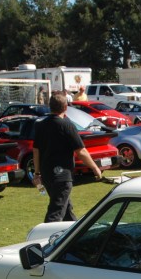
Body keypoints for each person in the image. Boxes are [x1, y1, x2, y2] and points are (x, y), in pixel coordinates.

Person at [32, 94, 103, 222]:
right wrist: (95, 168)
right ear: (65, 107)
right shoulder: (66, 125)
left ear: (50, 107)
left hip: (47, 175)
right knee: (56, 212)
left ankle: (73, 237)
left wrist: (37, 173)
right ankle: (45, 239)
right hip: (62, 177)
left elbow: (36, 151)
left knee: (66, 210)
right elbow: (81, 151)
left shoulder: (41, 125)